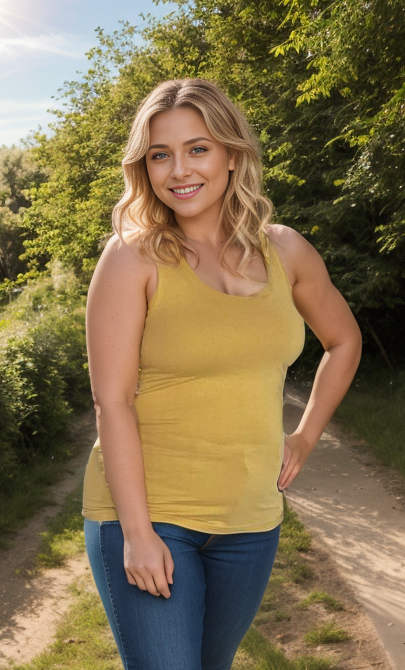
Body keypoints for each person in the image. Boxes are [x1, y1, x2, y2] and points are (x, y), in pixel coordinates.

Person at [81, 78, 362, 670]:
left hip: (250, 523)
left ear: (232, 155)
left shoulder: (286, 251)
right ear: (145, 167)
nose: (178, 169)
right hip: (149, 514)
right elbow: (113, 401)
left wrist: (305, 437)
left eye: (197, 148)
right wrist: (137, 532)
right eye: (160, 154)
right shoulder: (132, 256)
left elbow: (343, 340)